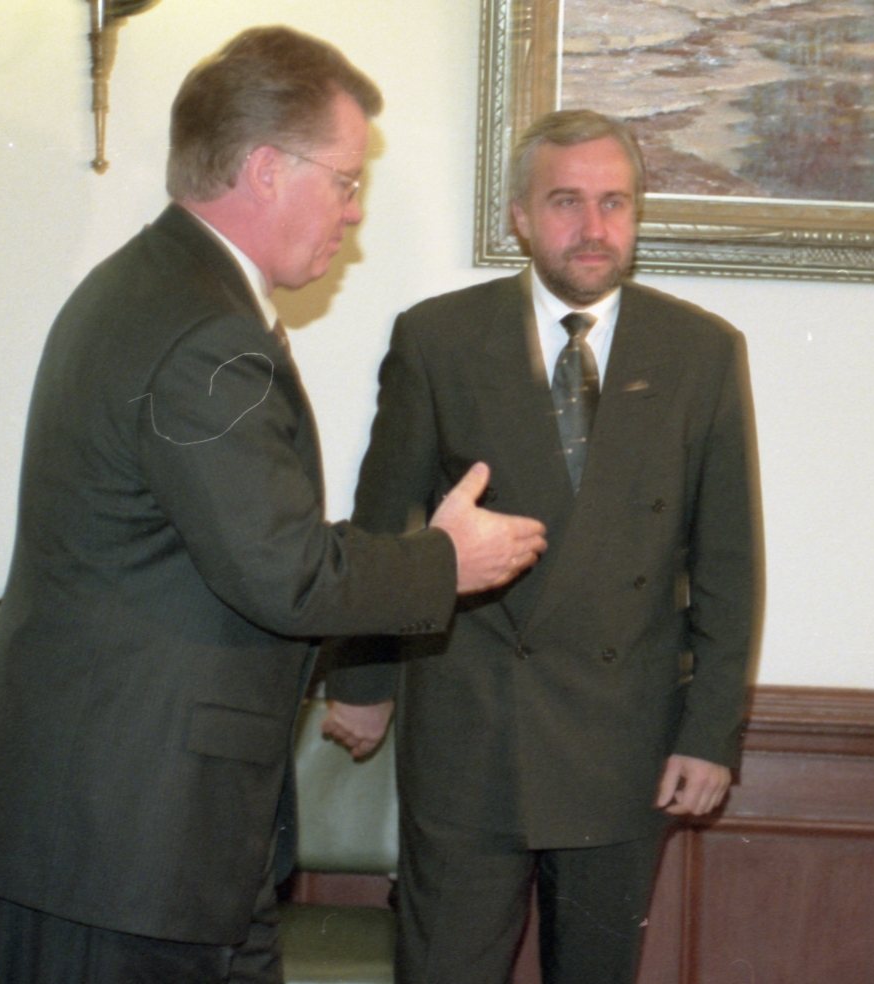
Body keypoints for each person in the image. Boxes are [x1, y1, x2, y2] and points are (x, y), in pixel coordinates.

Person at [0, 27, 547, 984]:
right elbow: (285, 573)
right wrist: (446, 560)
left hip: (149, 840)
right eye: (345, 180)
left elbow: (248, 545)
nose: (354, 210)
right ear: (267, 169)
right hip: (130, 848)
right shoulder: (204, 334)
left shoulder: (153, 290)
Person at [323, 109, 759, 984]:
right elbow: (383, 523)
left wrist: (710, 733)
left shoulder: (702, 351)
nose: (593, 227)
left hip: (624, 739)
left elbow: (728, 560)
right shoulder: (438, 337)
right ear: (520, 216)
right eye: (566, 202)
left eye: (614, 203)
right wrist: (362, 684)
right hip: (469, 725)